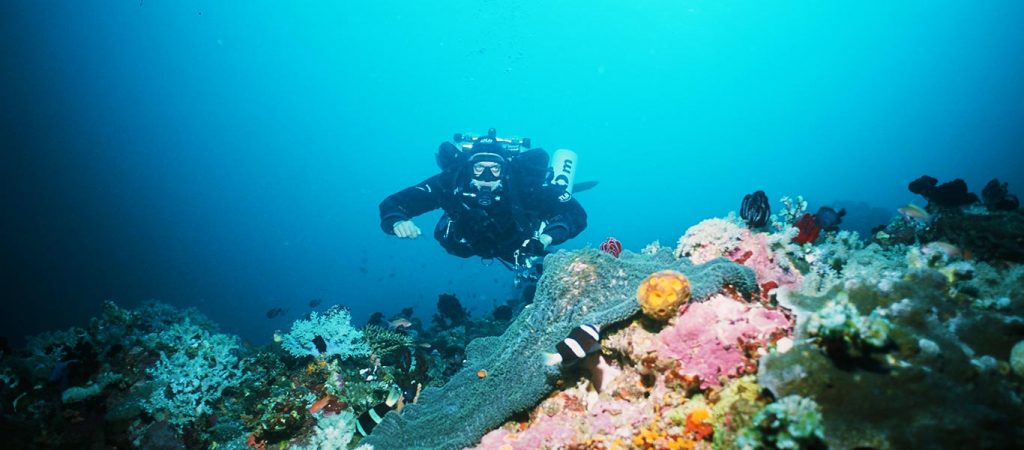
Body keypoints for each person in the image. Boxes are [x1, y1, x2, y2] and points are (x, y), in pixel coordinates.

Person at [379, 132, 587, 278]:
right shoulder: (451, 182)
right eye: (479, 168)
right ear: (468, 169)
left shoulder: (524, 186)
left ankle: (540, 237)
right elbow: (395, 202)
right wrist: (396, 220)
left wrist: (546, 238)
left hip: (518, 245)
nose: (487, 177)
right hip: (463, 243)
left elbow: (575, 214)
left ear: (505, 170)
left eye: (495, 169)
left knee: (539, 261)